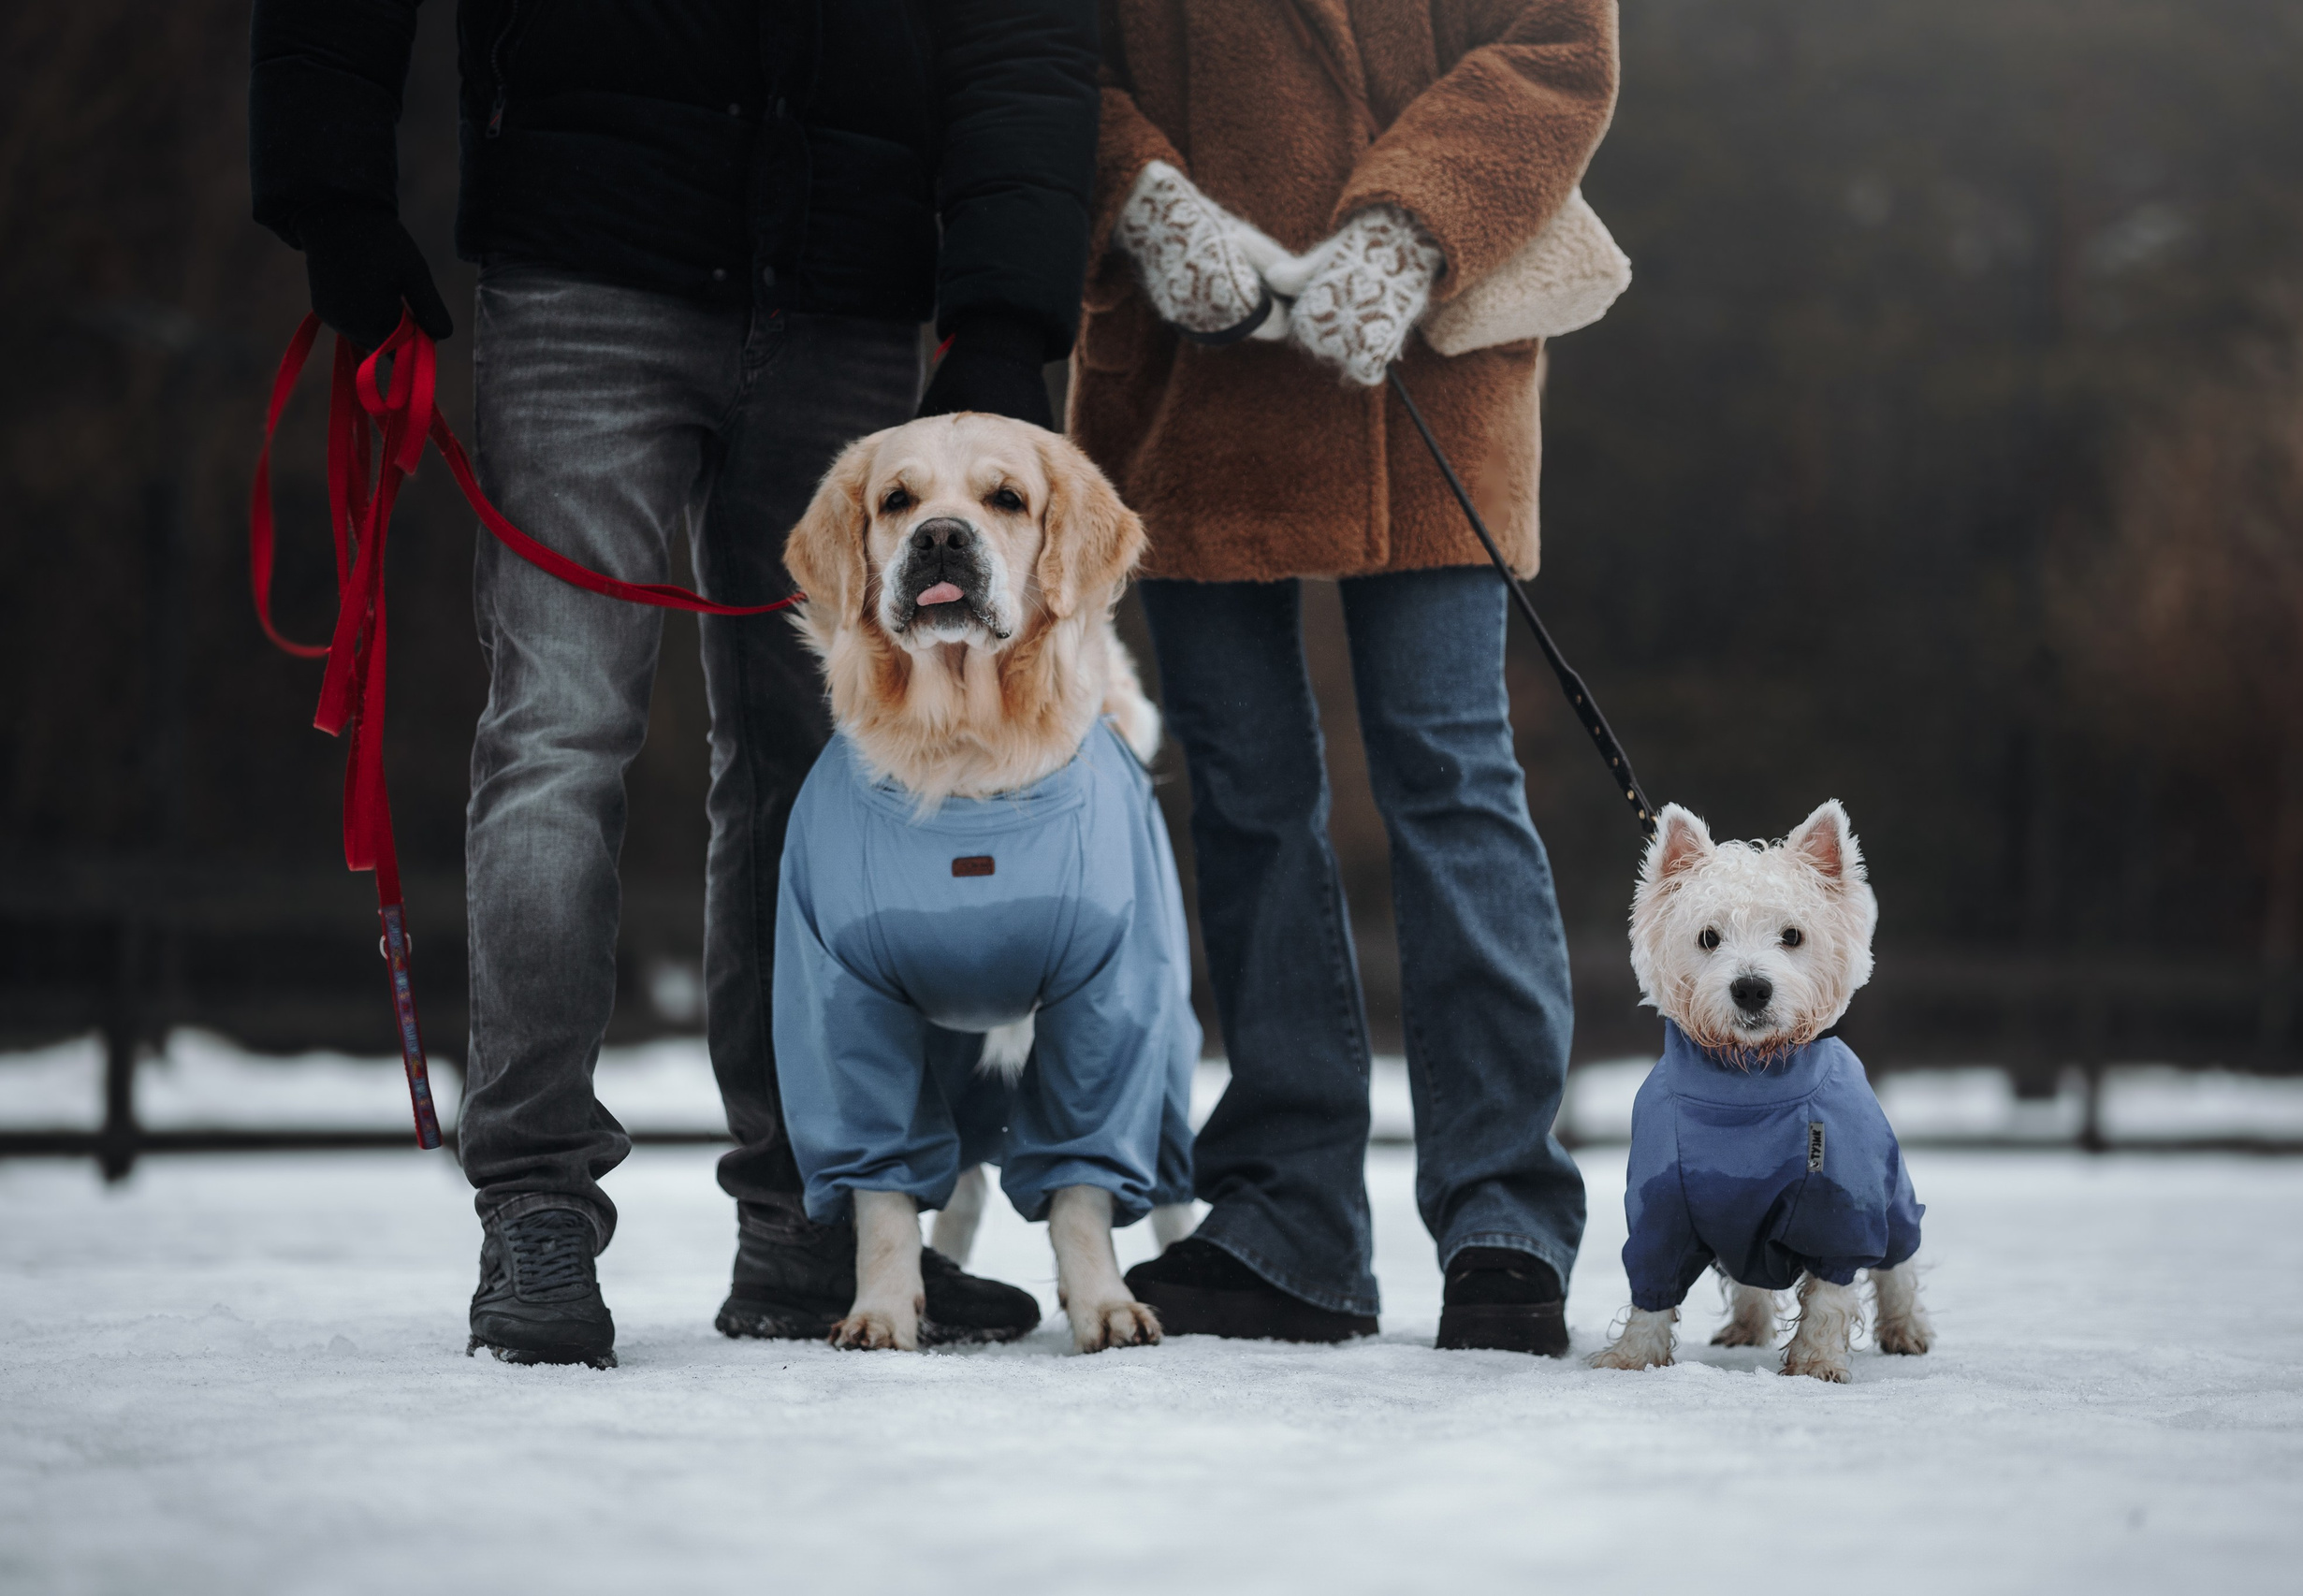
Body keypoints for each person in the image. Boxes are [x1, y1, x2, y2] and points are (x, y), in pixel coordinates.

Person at [249, 0, 1101, 1368]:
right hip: (588, 251)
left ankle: (808, 1215)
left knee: (820, 768)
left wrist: (1005, 309)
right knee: (557, 734)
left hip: (850, 274)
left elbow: (1026, 31)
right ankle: (533, 1204)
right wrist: (330, 187)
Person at [1073, 0, 1621, 1354]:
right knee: (1243, 781)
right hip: (1193, 371)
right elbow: (1043, 56)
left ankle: (1504, 1210)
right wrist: (1148, 202)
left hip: (1430, 357)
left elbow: (1559, 46)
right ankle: (1287, 1215)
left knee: (1449, 765)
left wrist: (1412, 225)